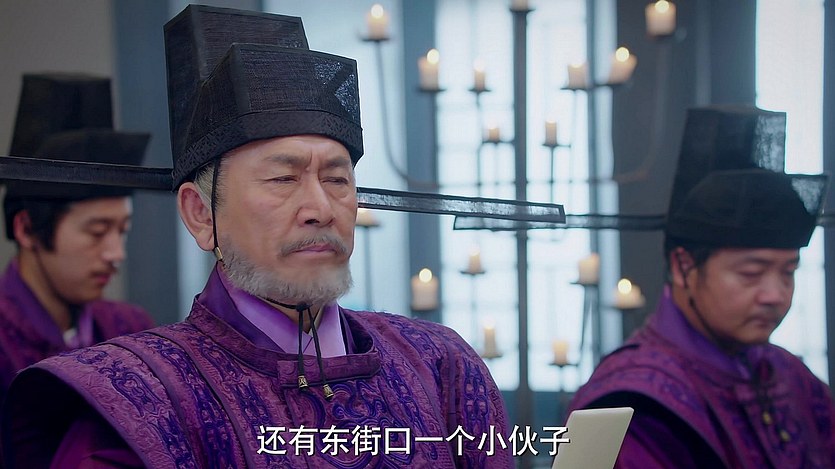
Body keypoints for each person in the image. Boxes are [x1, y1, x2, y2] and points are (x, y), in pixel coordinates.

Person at [1, 6, 512, 468]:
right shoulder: (139, 399)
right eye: (283, 178)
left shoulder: (439, 363)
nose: (320, 209)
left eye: (337, 179)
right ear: (200, 215)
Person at [568, 106, 835, 468]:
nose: (776, 295)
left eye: (788, 273)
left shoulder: (793, 378)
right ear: (683, 267)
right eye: (751, 274)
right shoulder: (633, 402)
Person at [0, 73, 155, 403]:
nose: (116, 253)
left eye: (122, 230)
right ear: (27, 228)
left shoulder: (130, 329)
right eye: (97, 232)